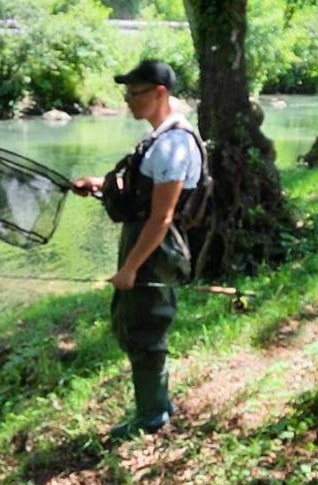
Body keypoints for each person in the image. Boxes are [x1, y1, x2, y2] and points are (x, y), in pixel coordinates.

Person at [73, 60, 206, 440]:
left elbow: (161, 217)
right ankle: (157, 404)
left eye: (135, 94)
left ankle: (152, 416)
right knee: (135, 322)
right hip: (147, 239)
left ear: (160, 94)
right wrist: (99, 185)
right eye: (126, 94)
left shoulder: (174, 145)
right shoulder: (161, 137)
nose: (129, 101)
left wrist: (130, 268)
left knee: (146, 327)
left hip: (156, 247)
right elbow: (143, 192)